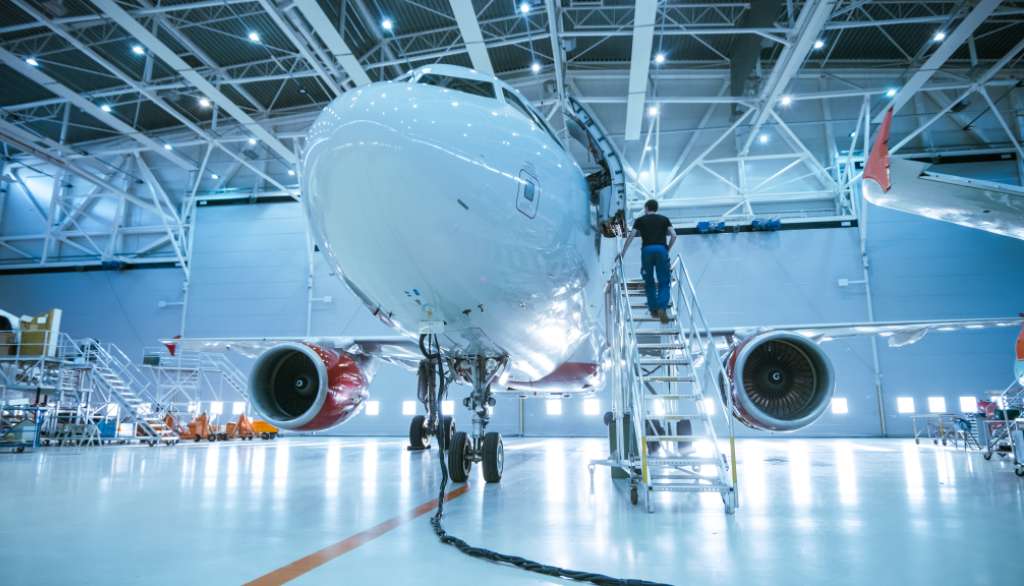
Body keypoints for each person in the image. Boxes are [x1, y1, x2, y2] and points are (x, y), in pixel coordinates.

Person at [619, 199, 676, 324]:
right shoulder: (664, 219)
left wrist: (623, 252)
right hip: (661, 250)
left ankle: (653, 309)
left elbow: (631, 236)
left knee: (649, 281)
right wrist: (668, 248)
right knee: (664, 282)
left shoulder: (640, 220)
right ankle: (662, 308)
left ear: (646, 208)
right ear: (656, 208)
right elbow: (674, 235)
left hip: (647, 250)